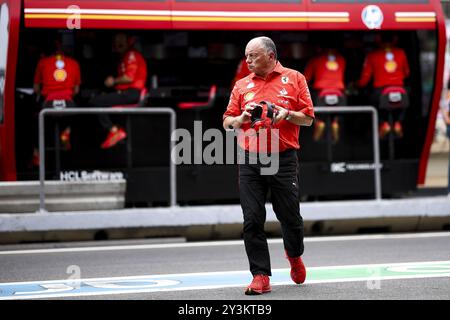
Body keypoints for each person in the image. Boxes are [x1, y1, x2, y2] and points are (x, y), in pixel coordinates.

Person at [223, 36, 314, 295]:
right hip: (250, 159)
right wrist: (240, 118)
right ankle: (260, 275)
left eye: (253, 55)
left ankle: (294, 256)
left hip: (283, 158)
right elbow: (226, 122)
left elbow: (308, 118)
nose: (248, 60)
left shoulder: (295, 78)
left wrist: (287, 114)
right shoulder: (241, 85)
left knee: (290, 218)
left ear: (271, 56)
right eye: (246, 56)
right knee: (252, 218)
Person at [89, 33, 147, 149]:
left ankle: (114, 130)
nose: (118, 43)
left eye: (121, 40)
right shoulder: (124, 57)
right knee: (100, 98)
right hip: (127, 93)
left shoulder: (131, 55)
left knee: (95, 101)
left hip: (132, 94)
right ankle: (115, 131)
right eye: (116, 41)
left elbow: (129, 78)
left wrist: (113, 81)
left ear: (128, 42)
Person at [32, 38, 81, 163]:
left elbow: (36, 88)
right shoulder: (74, 63)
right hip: (69, 104)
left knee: (39, 125)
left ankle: (37, 153)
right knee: (77, 115)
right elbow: (76, 90)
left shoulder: (42, 62)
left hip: (48, 104)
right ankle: (66, 132)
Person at [357, 33, 410, 139]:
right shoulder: (401, 53)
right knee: (403, 107)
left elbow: (364, 80)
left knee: (373, 105)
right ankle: (398, 123)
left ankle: (383, 123)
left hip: (380, 91)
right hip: (400, 90)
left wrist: (357, 85)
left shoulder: (372, 55)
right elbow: (407, 73)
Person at [304, 46, 346, 142]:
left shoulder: (315, 59)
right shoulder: (341, 59)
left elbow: (305, 79)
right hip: (339, 93)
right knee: (338, 116)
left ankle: (319, 123)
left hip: (321, 93)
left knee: (313, 109)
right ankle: (335, 122)